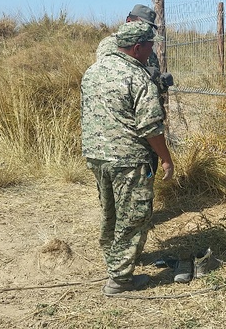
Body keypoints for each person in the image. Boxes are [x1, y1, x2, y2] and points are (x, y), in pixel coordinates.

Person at [81, 21, 175, 295]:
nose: (151, 52)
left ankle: (113, 263)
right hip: (128, 158)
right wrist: (166, 159)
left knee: (110, 213)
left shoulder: (93, 71)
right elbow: (150, 127)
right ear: (137, 47)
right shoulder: (137, 77)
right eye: (149, 46)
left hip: (97, 156)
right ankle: (120, 279)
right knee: (134, 216)